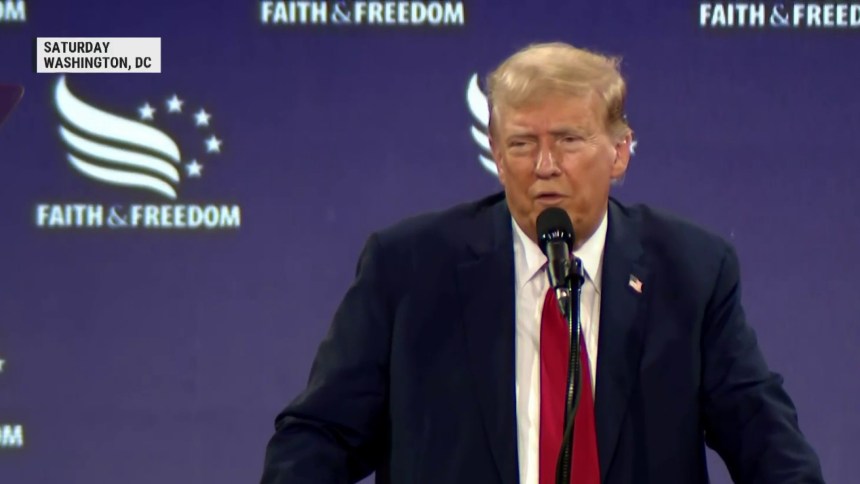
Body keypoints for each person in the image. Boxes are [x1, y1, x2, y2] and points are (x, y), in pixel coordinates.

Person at [260, 42, 824, 483]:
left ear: (620, 152)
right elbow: (318, 437)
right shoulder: (410, 268)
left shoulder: (691, 271)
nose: (545, 165)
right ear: (497, 153)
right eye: (523, 144)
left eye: (569, 140)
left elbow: (763, 434)